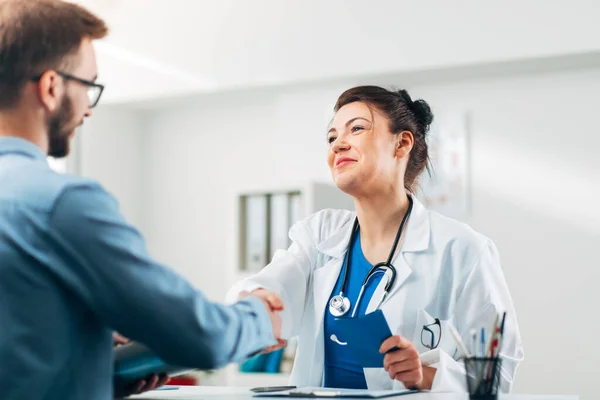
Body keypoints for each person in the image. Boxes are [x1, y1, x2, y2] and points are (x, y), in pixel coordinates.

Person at [0, 1, 283, 399]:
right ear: (51, 88)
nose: (88, 108)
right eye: (88, 86)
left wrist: (101, 369)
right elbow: (200, 336)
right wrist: (259, 318)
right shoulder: (61, 202)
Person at [227, 85, 524, 392]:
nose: (338, 144)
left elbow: (495, 377)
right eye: (331, 137)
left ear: (402, 143)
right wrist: (257, 305)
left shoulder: (462, 250)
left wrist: (425, 375)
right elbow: (275, 289)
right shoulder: (320, 234)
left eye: (356, 129)